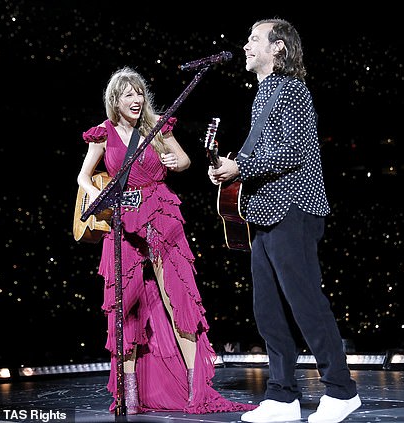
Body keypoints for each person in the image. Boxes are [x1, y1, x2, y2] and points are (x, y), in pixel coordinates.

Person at [77, 66, 256, 415]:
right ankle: (128, 395)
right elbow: (83, 177)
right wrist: (100, 195)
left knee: (179, 300)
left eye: (139, 93)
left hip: (161, 214)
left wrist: (177, 160)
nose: (136, 99)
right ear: (115, 99)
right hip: (123, 219)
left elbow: (185, 161)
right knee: (124, 306)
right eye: (128, 94)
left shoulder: (157, 124)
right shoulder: (103, 134)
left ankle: (196, 390)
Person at [208, 18, 361, 423]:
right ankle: (281, 396)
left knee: (306, 303)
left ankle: (342, 390)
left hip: (294, 208)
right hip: (263, 213)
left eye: (254, 39)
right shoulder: (264, 96)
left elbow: (294, 152)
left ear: (278, 48)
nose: (245, 46)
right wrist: (228, 166)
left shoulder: (292, 90)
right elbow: (258, 154)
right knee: (268, 309)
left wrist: (242, 167)